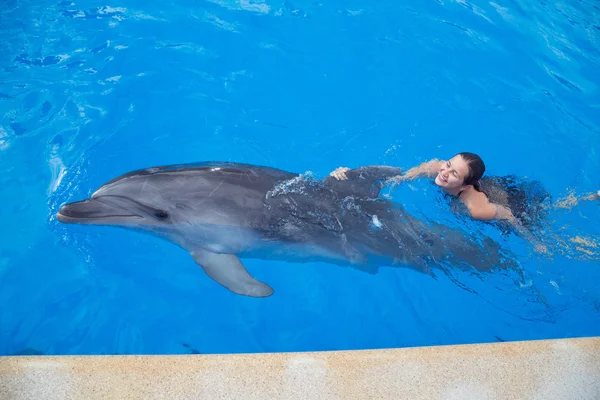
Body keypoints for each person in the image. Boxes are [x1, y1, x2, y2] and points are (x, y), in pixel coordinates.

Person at [329, 152, 598, 253]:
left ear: (465, 185)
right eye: (448, 165)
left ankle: (588, 199)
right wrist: (349, 174)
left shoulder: (476, 208)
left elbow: (507, 216)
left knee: (544, 214)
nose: (444, 172)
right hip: (489, 186)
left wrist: (533, 241)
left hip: (508, 202)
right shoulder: (436, 168)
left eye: (453, 173)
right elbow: (398, 176)